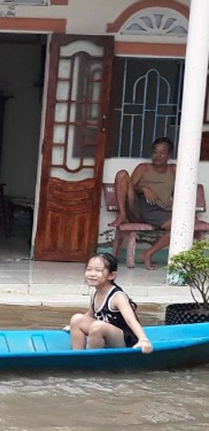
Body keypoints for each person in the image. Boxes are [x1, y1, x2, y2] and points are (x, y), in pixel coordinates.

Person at [108, 137, 177, 270]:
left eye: (162, 153)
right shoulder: (144, 168)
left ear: (169, 155)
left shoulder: (173, 170)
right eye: (155, 152)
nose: (158, 156)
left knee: (178, 227)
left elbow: (180, 190)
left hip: (157, 211)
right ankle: (122, 214)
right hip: (138, 207)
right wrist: (143, 189)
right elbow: (130, 188)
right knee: (122, 174)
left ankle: (148, 253)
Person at [68, 252, 153, 354]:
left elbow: (131, 320)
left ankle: (92, 360)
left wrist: (143, 339)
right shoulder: (95, 293)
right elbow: (91, 315)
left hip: (126, 339)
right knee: (76, 319)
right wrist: (74, 325)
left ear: (111, 275)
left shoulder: (117, 297)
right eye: (89, 269)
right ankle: (78, 356)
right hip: (103, 332)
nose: (91, 274)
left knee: (97, 326)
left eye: (98, 270)